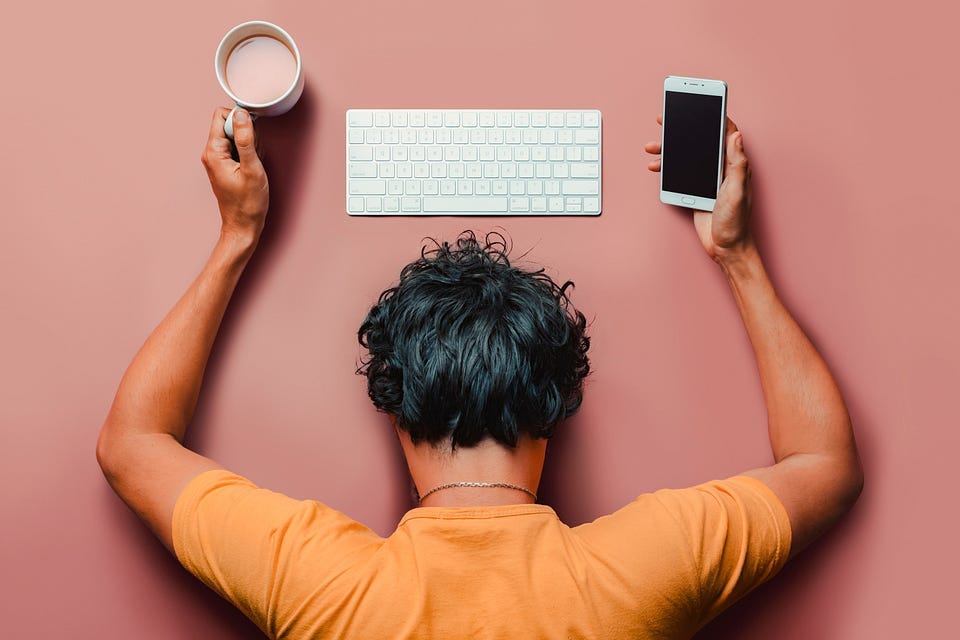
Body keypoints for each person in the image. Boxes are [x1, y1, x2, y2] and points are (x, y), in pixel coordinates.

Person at [97, 107, 863, 639]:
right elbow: (825, 465)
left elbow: (131, 443)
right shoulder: (646, 569)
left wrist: (237, 235)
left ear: (394, 403)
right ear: (559, 402)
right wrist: (739, 256)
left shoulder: (320, 582)